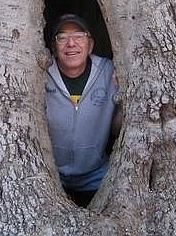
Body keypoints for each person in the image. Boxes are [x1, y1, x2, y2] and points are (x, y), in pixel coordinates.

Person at [45, 14, 121, 207]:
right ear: (54, 47)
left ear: (90, 44)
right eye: (62, 37)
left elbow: (118, 128)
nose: (71, 44)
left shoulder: (109, 72)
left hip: (97, 178)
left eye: (79, 36)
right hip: (50, 179)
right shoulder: (40, 75)